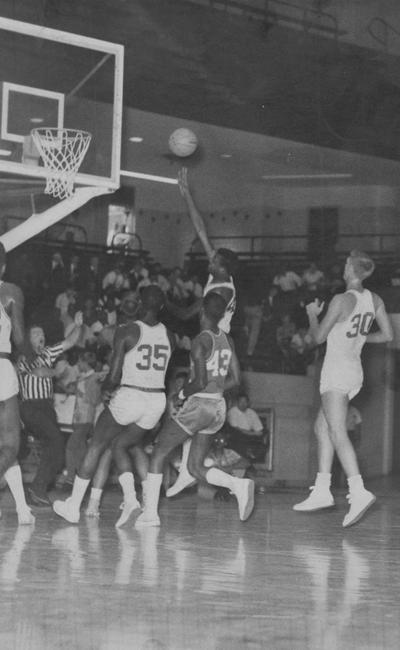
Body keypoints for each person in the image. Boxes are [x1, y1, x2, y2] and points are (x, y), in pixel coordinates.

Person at [52, 285, 175, 526]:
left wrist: (106, 386)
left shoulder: (127, 330)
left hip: (131, 395)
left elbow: (116, 374)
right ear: (161, 307)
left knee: (97, 444)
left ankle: (74, 506)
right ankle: (133, 501)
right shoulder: (169, 334)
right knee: (123, 445)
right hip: (156, 399)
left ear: (140, 303)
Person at [135, 291, 255, 529]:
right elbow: (236, 379)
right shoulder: (227, 339)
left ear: (201, 312)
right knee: (195, 467)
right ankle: (237, 485)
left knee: (159, 452)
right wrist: (215, 390)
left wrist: (180, 394)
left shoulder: (201, 340)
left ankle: (150, 514)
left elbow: (199, 382)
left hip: (199, 404)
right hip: (218, 407)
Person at [293, 250, 393, 527]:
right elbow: (387, 335)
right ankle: (322, 489)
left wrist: (313, 315)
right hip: (354, 371)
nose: (344, 266)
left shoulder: (340, 300)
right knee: (321, 428)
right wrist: (360, 338)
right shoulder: (374, 299)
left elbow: (316, 338)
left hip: (337, 370)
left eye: (347, 264)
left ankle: (358, 490)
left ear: (351, 270)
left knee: (337, 431)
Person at [166, 168, 238, 498]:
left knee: (188, 396)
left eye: (214, 260)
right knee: (191, 405)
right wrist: (186, 195)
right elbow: (201, 230)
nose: (209, 260)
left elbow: (195, 310)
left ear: (224, 267)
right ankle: (189, 470)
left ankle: (188, 468)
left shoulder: (221, 291)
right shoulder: (218, 273)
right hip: (210, 345)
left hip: (214, 347)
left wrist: (171, 307)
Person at [17, 311, 83, 506]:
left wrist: (78, 326)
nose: (41, 336)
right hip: (31, 407)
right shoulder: (24, 356)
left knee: (58, 449)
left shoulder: (47, 353)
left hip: (46, 407)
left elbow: (69, 342)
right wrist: (57, 371)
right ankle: (37, 488)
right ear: (28, 338)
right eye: (36, 333)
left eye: (42, 333)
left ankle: (38, 488)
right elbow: (39, 372)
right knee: (55, 440)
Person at [0, 243, 35, 525]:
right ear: (3, 266)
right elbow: (21, 339)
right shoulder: (10, 291)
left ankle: (23, 509)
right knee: (10, 443)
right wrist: (31, 359)